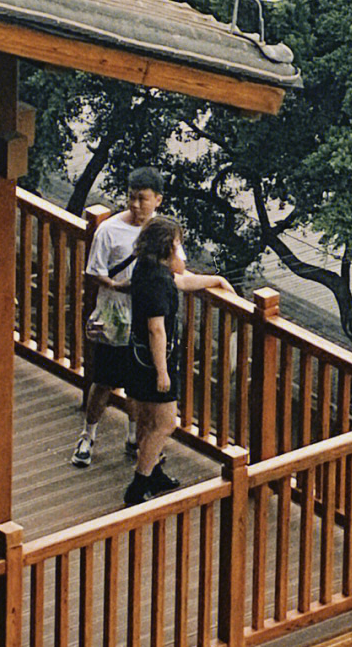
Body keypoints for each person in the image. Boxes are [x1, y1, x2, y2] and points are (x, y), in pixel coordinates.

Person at [123, 214, 234, 506]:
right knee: (165, 423)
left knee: (149, 420)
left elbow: (183, 280)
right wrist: (162, 372)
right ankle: (138, 484)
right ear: (167, 248)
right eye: (177, 244)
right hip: (152, 361)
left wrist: (217, 279)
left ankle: (154, 471)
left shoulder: (147, 269)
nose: (180, 250)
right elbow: (155, 328)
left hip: (137, 356)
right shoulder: (157, 282)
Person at [72, 167, 169, 468]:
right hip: (115, 315)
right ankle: (88, 435)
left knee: (138, 386)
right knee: (103, 381)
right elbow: (94, 270)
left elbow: (176, 267)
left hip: (146, 319)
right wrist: (115, 286)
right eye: (131, 198)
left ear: (158, 200)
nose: (136, 205)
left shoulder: (162, 231)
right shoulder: (109, 230)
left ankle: (134, 438)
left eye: (143, 199)